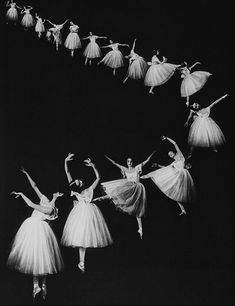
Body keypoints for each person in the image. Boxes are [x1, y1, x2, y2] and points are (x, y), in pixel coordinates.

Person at [7, 168, 64, 301]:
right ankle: (37, 286)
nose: (55, 192)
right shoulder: (44, 199)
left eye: (56, 194)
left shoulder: (50, 209)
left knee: (40, 258)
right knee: (34, 257)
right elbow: (35, 186)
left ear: (56, 196)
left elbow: (32, 204)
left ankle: (41, 285)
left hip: (36, 230)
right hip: (33, 228)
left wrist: (21, 194)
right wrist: (27, 174)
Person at [61, 154, 113, 273]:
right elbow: (98, 178)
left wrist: (66, 161)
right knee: (82, 237)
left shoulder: (87, 189)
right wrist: (93, 166)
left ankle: (82, 262)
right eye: (78, 181)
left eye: (78, 180)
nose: (79, 180)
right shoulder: (84, 190)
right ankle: (82, 262)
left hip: (87, 212)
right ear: (79, 186)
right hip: (82, 213)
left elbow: (68, 172)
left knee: (85, 238)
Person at [94, 152, 156, 239]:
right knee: (116, 193)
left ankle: (140, 228)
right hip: (129, 187)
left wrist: (153, 152)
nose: (129, 163)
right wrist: (106, 156)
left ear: (133, 162)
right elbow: (115, 163)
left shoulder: (137, 167)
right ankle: (101, 198)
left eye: (131, 161)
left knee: (138, 207)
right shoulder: (124, 169)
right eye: (128, 161)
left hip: (137, 188)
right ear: (127, 163)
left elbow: (147, 160)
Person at [141, 137, 195, 215]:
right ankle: (183, 210)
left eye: (171, 153)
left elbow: (175, 143)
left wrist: (166, 138)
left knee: (184, 192)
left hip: (183, 176)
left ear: (173, 152)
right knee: (175, 194)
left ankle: (189, 208)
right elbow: (166, 168)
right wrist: (158, 165)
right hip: (177, 178)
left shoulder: (180, 156)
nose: (170, 155)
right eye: (169, 155)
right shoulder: (173, 163)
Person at [184, 94, 228, 159]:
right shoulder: (194, 111)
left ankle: (213, 147)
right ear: (195, 108)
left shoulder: (207, 108)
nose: (197, 105)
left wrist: (222, 97)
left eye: (196, 104)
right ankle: (190, 153)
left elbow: (215, 102)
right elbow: (190, 115)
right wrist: (187, 121)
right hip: (200, 124)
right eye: (196, 106)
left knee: (210, 135)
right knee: (196, 138)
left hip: (208, 123)